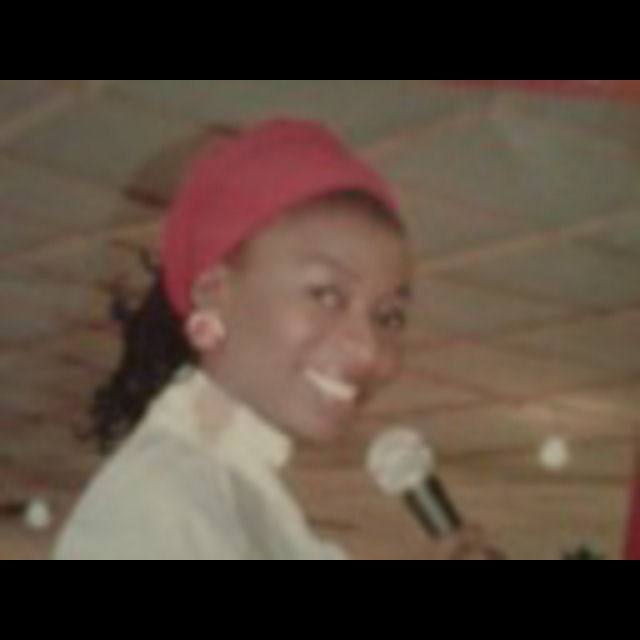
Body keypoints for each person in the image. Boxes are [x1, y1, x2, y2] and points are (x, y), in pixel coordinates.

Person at [53, 118, 480, 560]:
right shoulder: (160, 502)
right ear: (214, 294)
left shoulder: (238, 492)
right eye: (327, 295)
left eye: (389, 317)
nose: (369, 351)